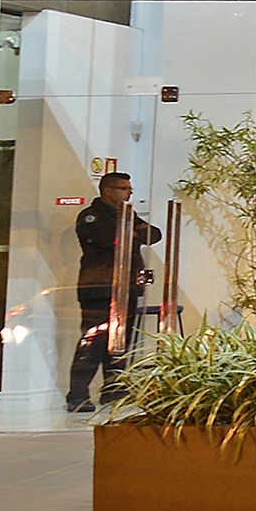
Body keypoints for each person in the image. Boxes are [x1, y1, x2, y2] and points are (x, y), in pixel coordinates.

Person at [68, 170, 160, 414]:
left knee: (120, 342)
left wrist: (132, 232)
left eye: (130, 189)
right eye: (123, 189)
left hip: (127, 287)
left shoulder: (126, 215)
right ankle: (77, 395)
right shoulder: (91, 216)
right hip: (99, 288)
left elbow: (154, 234)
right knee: (93, 341)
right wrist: (133, 233)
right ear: (107, 190)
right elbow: (107, 240)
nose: (129, 193)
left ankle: (114, 390)